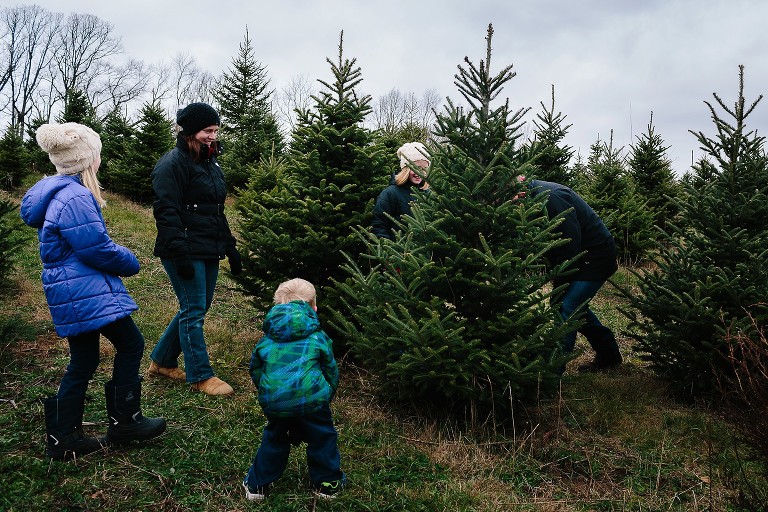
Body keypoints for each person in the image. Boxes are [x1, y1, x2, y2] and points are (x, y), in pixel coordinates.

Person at [20, 122, 166, 461]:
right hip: (84, 289)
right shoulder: (75, 196)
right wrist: (130, 260)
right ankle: (125, 422)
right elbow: (95, 248)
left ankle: (63, 437)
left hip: (70, 290)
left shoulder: (58, 191)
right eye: (97, 155)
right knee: (131, 344)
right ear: (87, 159)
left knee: (83, 359)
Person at [147, 102, 242, 396]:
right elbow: (166, 211)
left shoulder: (209, 161)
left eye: (215, 130)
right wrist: (179, 252)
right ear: (190, 131)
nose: (213, 136)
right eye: (207, 130)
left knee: (197, 306)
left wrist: (230, 246)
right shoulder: (172, 164)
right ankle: (201, 375)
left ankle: (161, 362)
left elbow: (216, 209)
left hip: (207, 244)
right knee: (194, 309)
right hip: (183, 247)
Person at [243, 278, 345, 501]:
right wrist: (328, 393)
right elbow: (330, 369)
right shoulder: (318, 338)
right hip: (313, 400)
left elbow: (256, 369)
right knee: (322, 437)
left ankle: (256, 486)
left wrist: (267, 391)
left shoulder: (266, 341)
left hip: (275, 401)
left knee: (275, 437)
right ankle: (328, 484)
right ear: (314, 308)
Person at [527, 178, 623, 372]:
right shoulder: (530, 197)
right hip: (578, 256)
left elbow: (570, 244)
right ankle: (609, 356)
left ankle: (553, 373)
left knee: (566, 306)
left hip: (595, 257)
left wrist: (560, 284)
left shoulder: (551, 196)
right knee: (576, 307)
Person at [372, 141, 430, 239]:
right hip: (398, 252)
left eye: (424, 169)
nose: (419, 173)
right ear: (405, 169)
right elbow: (379, 226)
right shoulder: (390, 193)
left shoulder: (428, 194)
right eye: (416, 168)